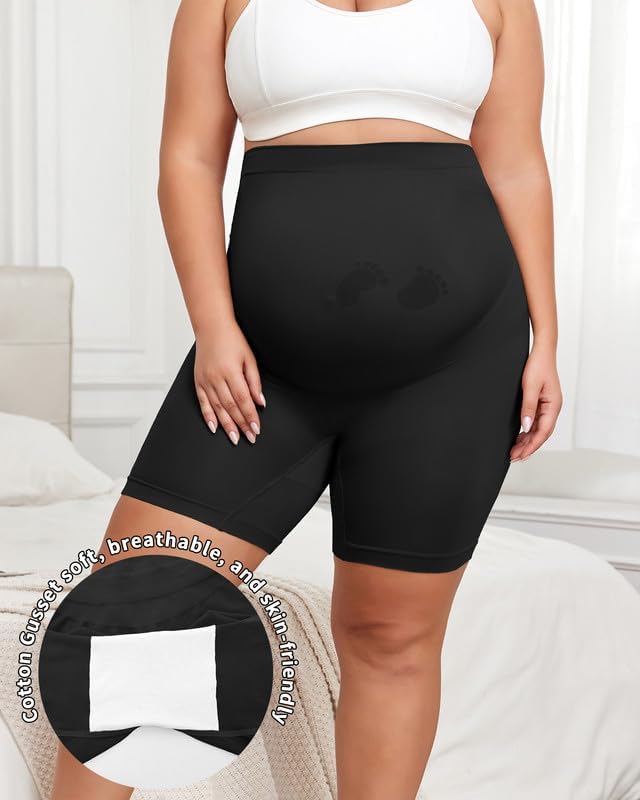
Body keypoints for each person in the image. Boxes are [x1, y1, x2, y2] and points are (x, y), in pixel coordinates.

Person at [52, 0, 562, 797]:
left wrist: (548, 338)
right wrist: (213, 327)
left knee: (391, 637)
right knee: (136, 609)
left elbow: (518, 163)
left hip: (455, 368)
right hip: (261, 367)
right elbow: (188, 158)